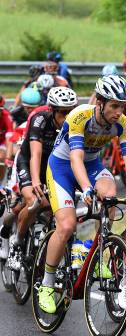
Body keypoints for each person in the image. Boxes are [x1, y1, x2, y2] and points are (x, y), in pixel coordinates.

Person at [38, 75, 126, 314]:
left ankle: (93, 250)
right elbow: (75, 157)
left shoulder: (123, 123)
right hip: (62, 167)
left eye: (123, 106)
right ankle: (46, 284)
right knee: (66, 226)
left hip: (91, 165)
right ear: (99, 102)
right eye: (114, 106)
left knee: (110, 195)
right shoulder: (80, 116)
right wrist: (86, 187)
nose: (119, 112)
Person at [8, 87, 78, 271]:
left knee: (59, 208)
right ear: (52, 110)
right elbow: (35, 154)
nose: (67, 116)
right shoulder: (40, 120)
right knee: (35, 201)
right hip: (29, 161)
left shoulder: (75, 125)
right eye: (63, 112)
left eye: (71, 111)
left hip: (53, 167)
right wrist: (36, 182)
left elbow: (77, 157)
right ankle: (17, 243)